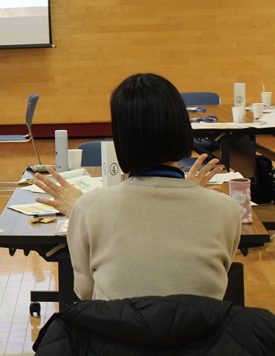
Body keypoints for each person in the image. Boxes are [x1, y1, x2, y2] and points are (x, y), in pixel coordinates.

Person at [35, 73, 242, 301]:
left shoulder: (89, 208)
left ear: (122, 140)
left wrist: (79, 210)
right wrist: (183, 190)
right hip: (202, 335)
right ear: (182, 128)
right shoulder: (226, 209)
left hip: (118, 334)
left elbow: (85, 293)